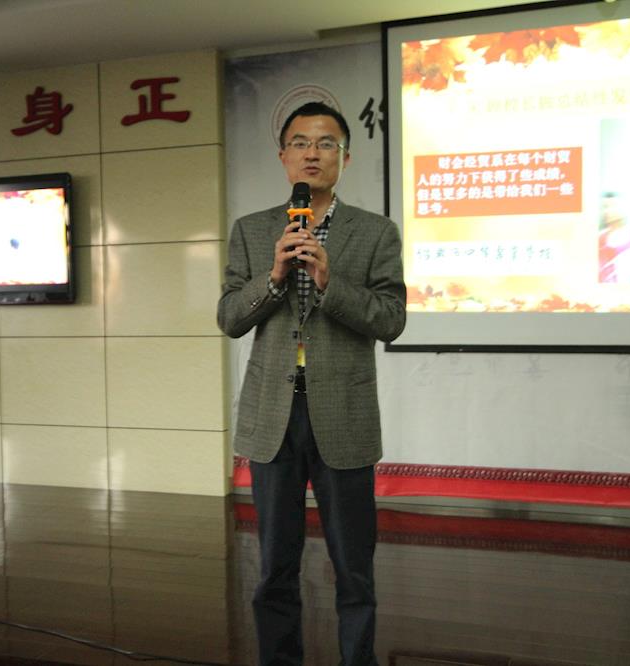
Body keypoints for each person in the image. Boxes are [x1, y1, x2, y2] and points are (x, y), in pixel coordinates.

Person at [217, 101, 406, 665]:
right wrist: (273, 278)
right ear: (283, 157)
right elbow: (230, 317)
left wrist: (329, 281)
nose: (312, 154)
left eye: (326, 143)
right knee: (274, 565)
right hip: (272, 417)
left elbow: (391, 319)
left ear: (346, 157)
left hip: (342, 415)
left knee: (353, 567)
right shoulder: (253, 230)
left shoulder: (375, 232)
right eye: (300, 143)